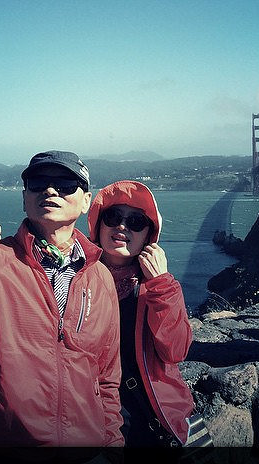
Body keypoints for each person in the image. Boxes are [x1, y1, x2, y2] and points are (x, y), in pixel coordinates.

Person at [0, 151, 124, 450]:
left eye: (64, 184)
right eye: (38, 183)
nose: (50, 190)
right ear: (25, 198)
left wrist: (112, 444)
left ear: (86, 201)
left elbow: (107, 374)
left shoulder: (100, 275)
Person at [86, 180, 196, 448]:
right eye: (112, 217)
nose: (122, 226)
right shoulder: (77, 282)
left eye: (136, 221)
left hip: (150, 418)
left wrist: (161, 283)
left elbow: (176, 351)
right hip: (94, 416)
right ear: (98, 225)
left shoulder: (158, 287)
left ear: (149, 236)